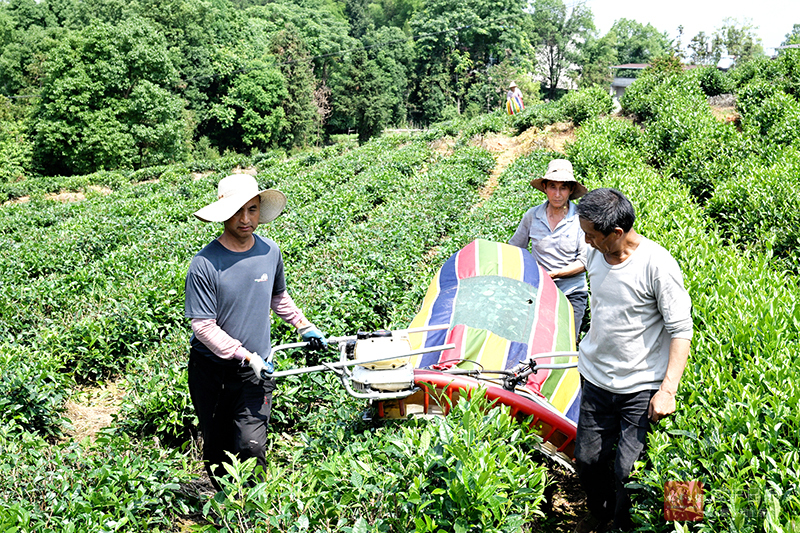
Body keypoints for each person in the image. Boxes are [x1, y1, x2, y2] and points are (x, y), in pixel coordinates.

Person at [184, 173, 327, 490]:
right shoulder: (205, 264)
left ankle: (254, 511)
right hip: (213, 372)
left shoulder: (269, 252)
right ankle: (227, 509)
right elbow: (203, 326)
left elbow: (278, 297)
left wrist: (304, 325)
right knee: (218, 448)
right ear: (224, 213)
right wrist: (245, 355)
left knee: (251, 445)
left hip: (256, 373)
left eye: (252, 210)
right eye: (238, 211)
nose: (246, 220)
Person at [573, 188, 693, 532]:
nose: (587, 241)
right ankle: (600, 513)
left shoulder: (658, 265)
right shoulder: (595, 252)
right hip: (596, 378)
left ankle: (624, 526)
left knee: (628, 471)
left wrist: (667, 390)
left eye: (592, 235)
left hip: (639, 386)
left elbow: (681, 329)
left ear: (617, 233)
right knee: (588, 460)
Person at [509, 158, 589, 341]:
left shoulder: (580, 219)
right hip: (538, 290)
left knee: (566, 341)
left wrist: (554, 274)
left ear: (570, 190)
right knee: (534, 341)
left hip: (572, 292)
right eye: (553, 187)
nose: (558, 194)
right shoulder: (532, 216)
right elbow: (515, 249)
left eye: (563, 188)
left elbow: (584, 262)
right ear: (545, 188)